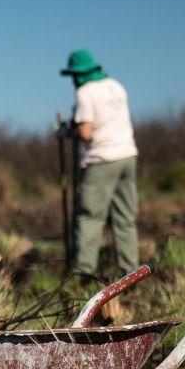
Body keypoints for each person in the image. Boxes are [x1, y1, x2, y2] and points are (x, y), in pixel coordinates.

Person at [59, 49, 139, 275]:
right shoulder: (116, 86)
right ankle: (131, 273)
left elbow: (85, 132)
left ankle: (84, 274)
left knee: (89, 217)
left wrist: (67, 132)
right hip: (127, 155)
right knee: (125, 218)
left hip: (101, 159)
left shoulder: (85, 92)